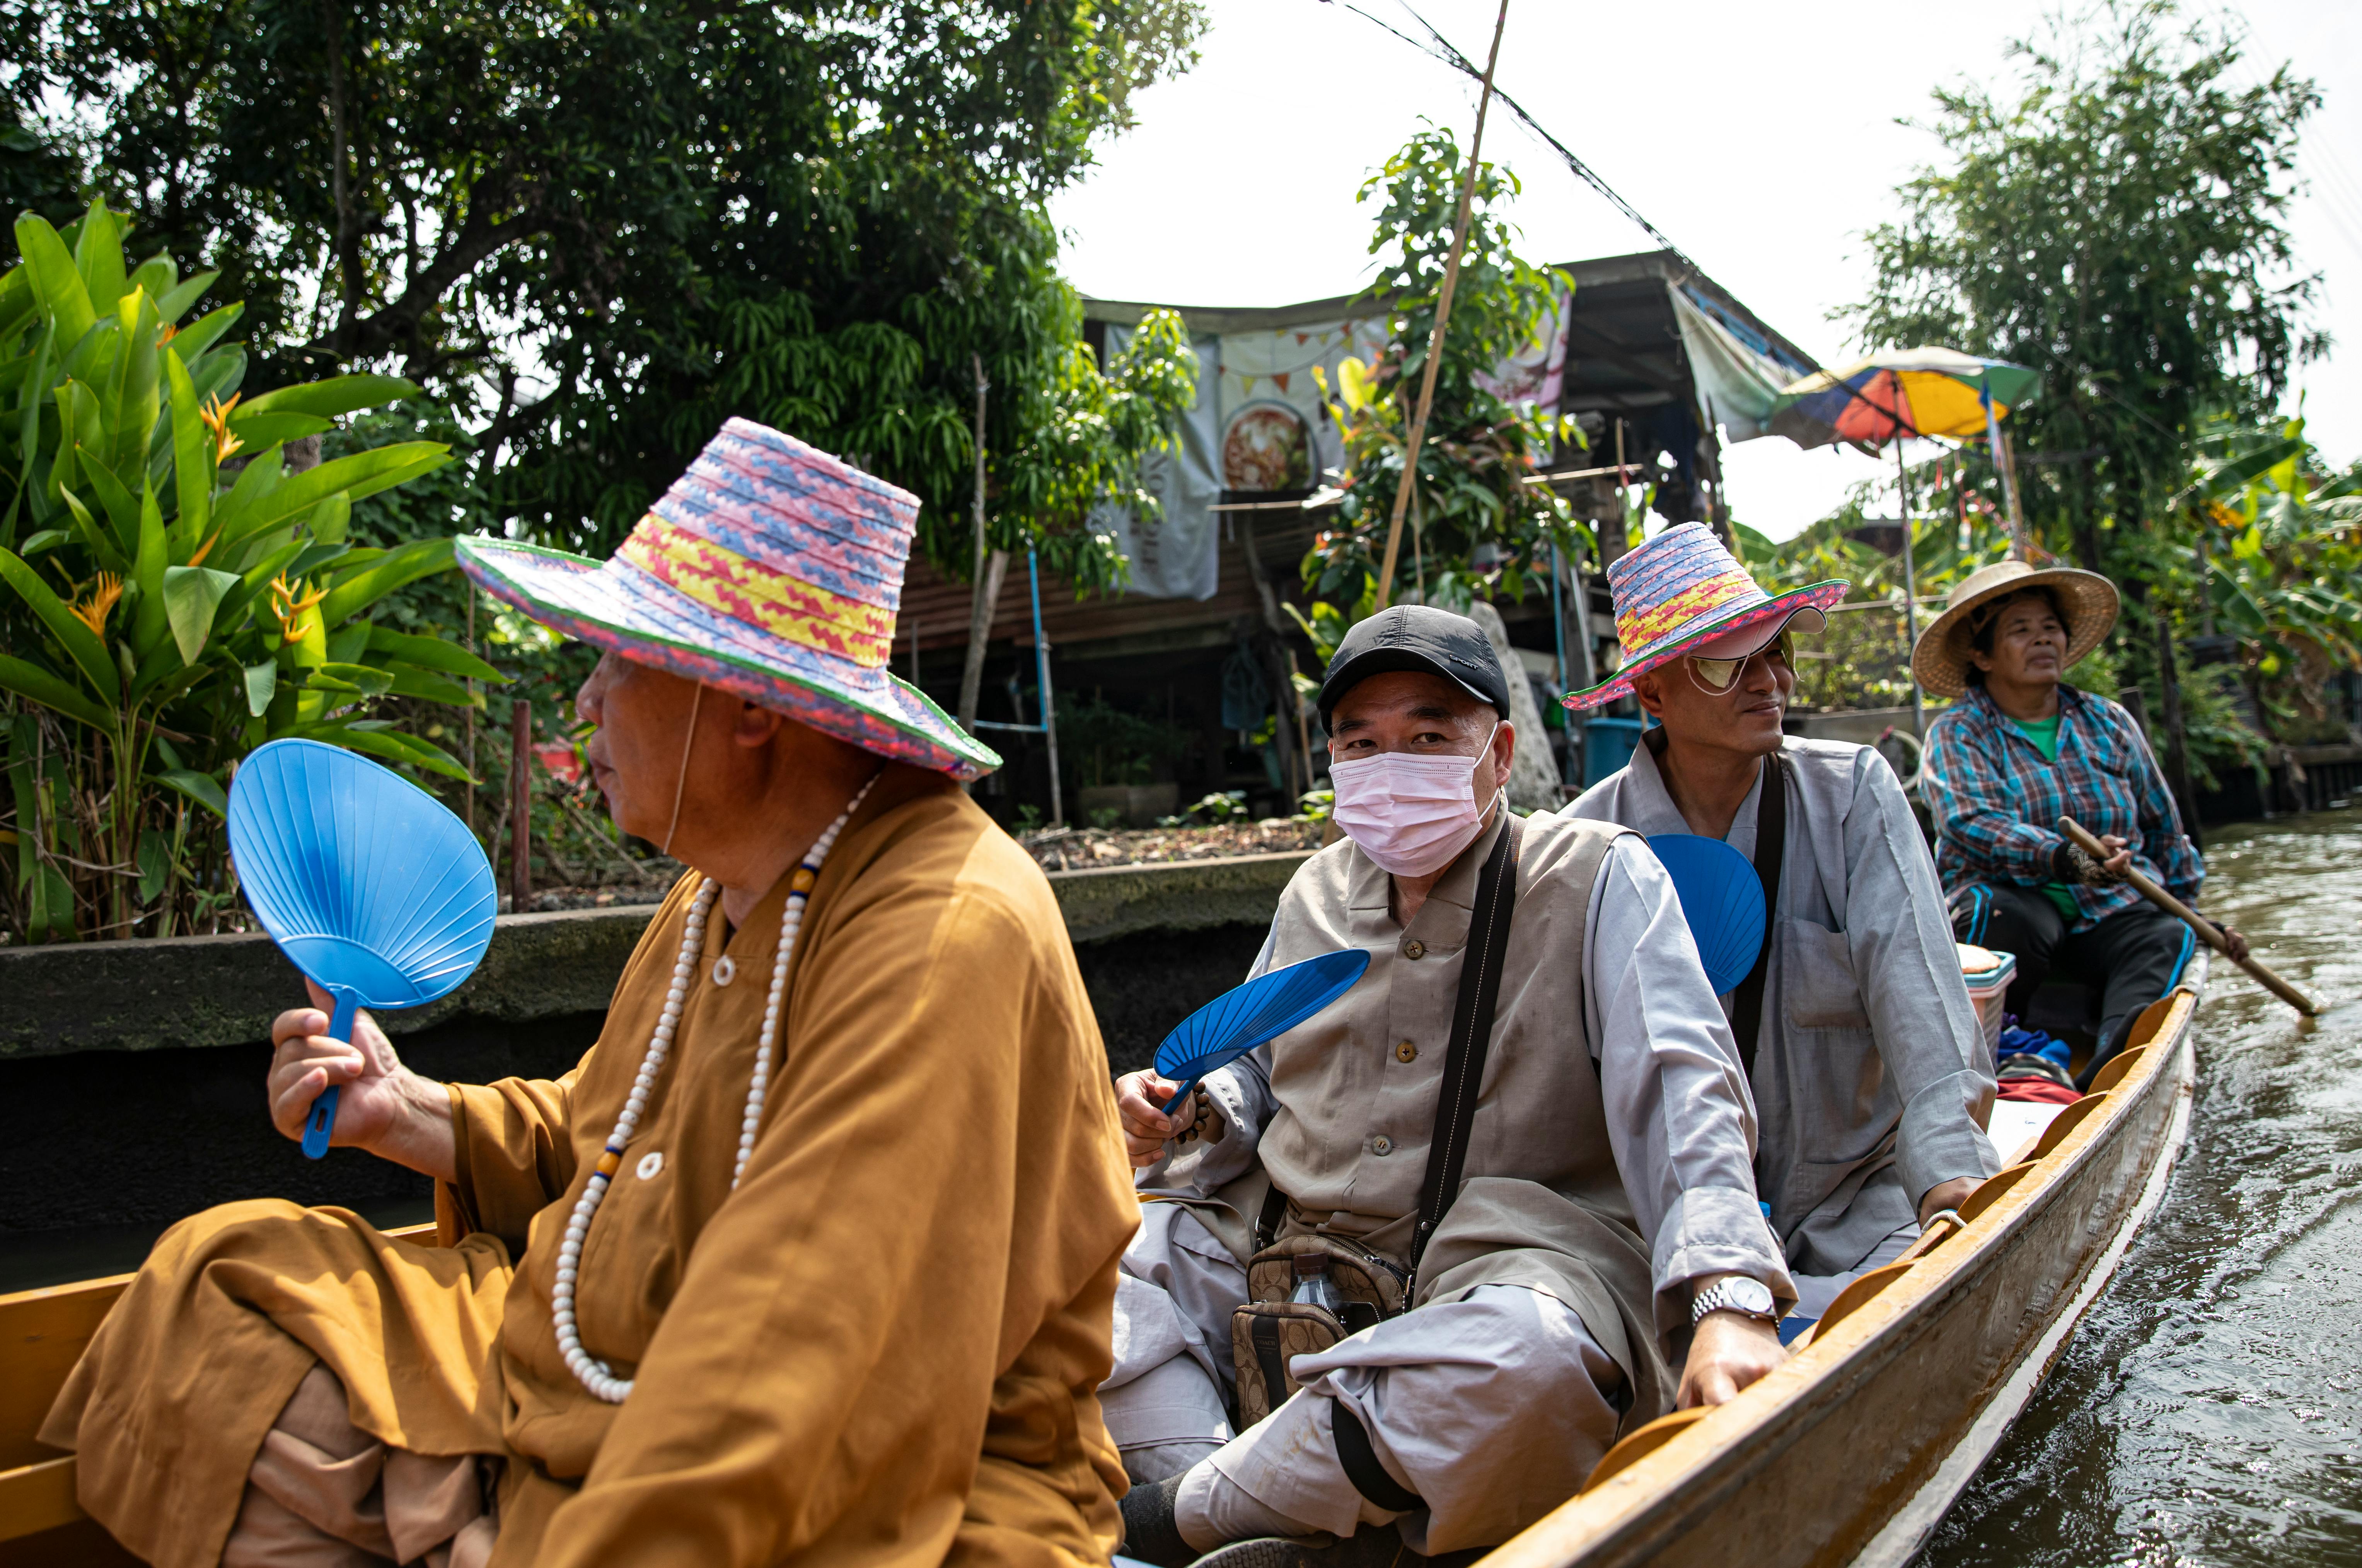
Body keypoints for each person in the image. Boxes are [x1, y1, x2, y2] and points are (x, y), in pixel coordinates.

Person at [41, 420, 1139, 1568]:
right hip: (578, 1379)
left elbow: (794, 1356)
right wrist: (412, 1114)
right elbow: (613, 1142)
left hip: (838, 1467)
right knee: (226, 1285)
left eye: (617, 660)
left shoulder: (939, 934)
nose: (584, 703)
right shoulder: (726, 885)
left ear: (749, 708)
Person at [1103, 604, 1792, 1567]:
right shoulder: (1313, 891)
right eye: (1363, 743)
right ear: (1333, 761)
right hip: (1285, 1247)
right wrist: (1188, 1104)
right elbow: (1251, 1063)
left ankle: (1181, 1517)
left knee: (1530, 1361)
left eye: (1430, 736)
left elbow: (1684, 1086)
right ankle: (1253, 1487)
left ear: (1500, 752)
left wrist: (1728, 1302)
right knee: (1085, 1267)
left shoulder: (1597, 874)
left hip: (1506, 1270)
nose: (1393, 768)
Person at [1562, 524, 2000, 1327]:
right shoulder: (1587, 848)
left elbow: (1920, 997)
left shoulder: (1853, 796)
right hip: (1669, 1226)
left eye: (1779, 654)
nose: (1769, 681)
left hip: (1854, 1210)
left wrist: (1950, 1183)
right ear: (1653, 694)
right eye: (1730, 662)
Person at [1916, 559, 2245, 1087]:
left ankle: (2106, 1080)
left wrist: (2195, 916)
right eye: (2020, 631)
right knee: (1996, 913)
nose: (2042, 640)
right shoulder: (1958, 733)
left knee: (2167, 933)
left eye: (2050, 628)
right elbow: (1971, 823)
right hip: (2014, 904)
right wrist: (2064, 859)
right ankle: (1990, 1054)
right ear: (1981, 656)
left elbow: (2162, 828)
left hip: (2111, 911)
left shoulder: (2107, 721)